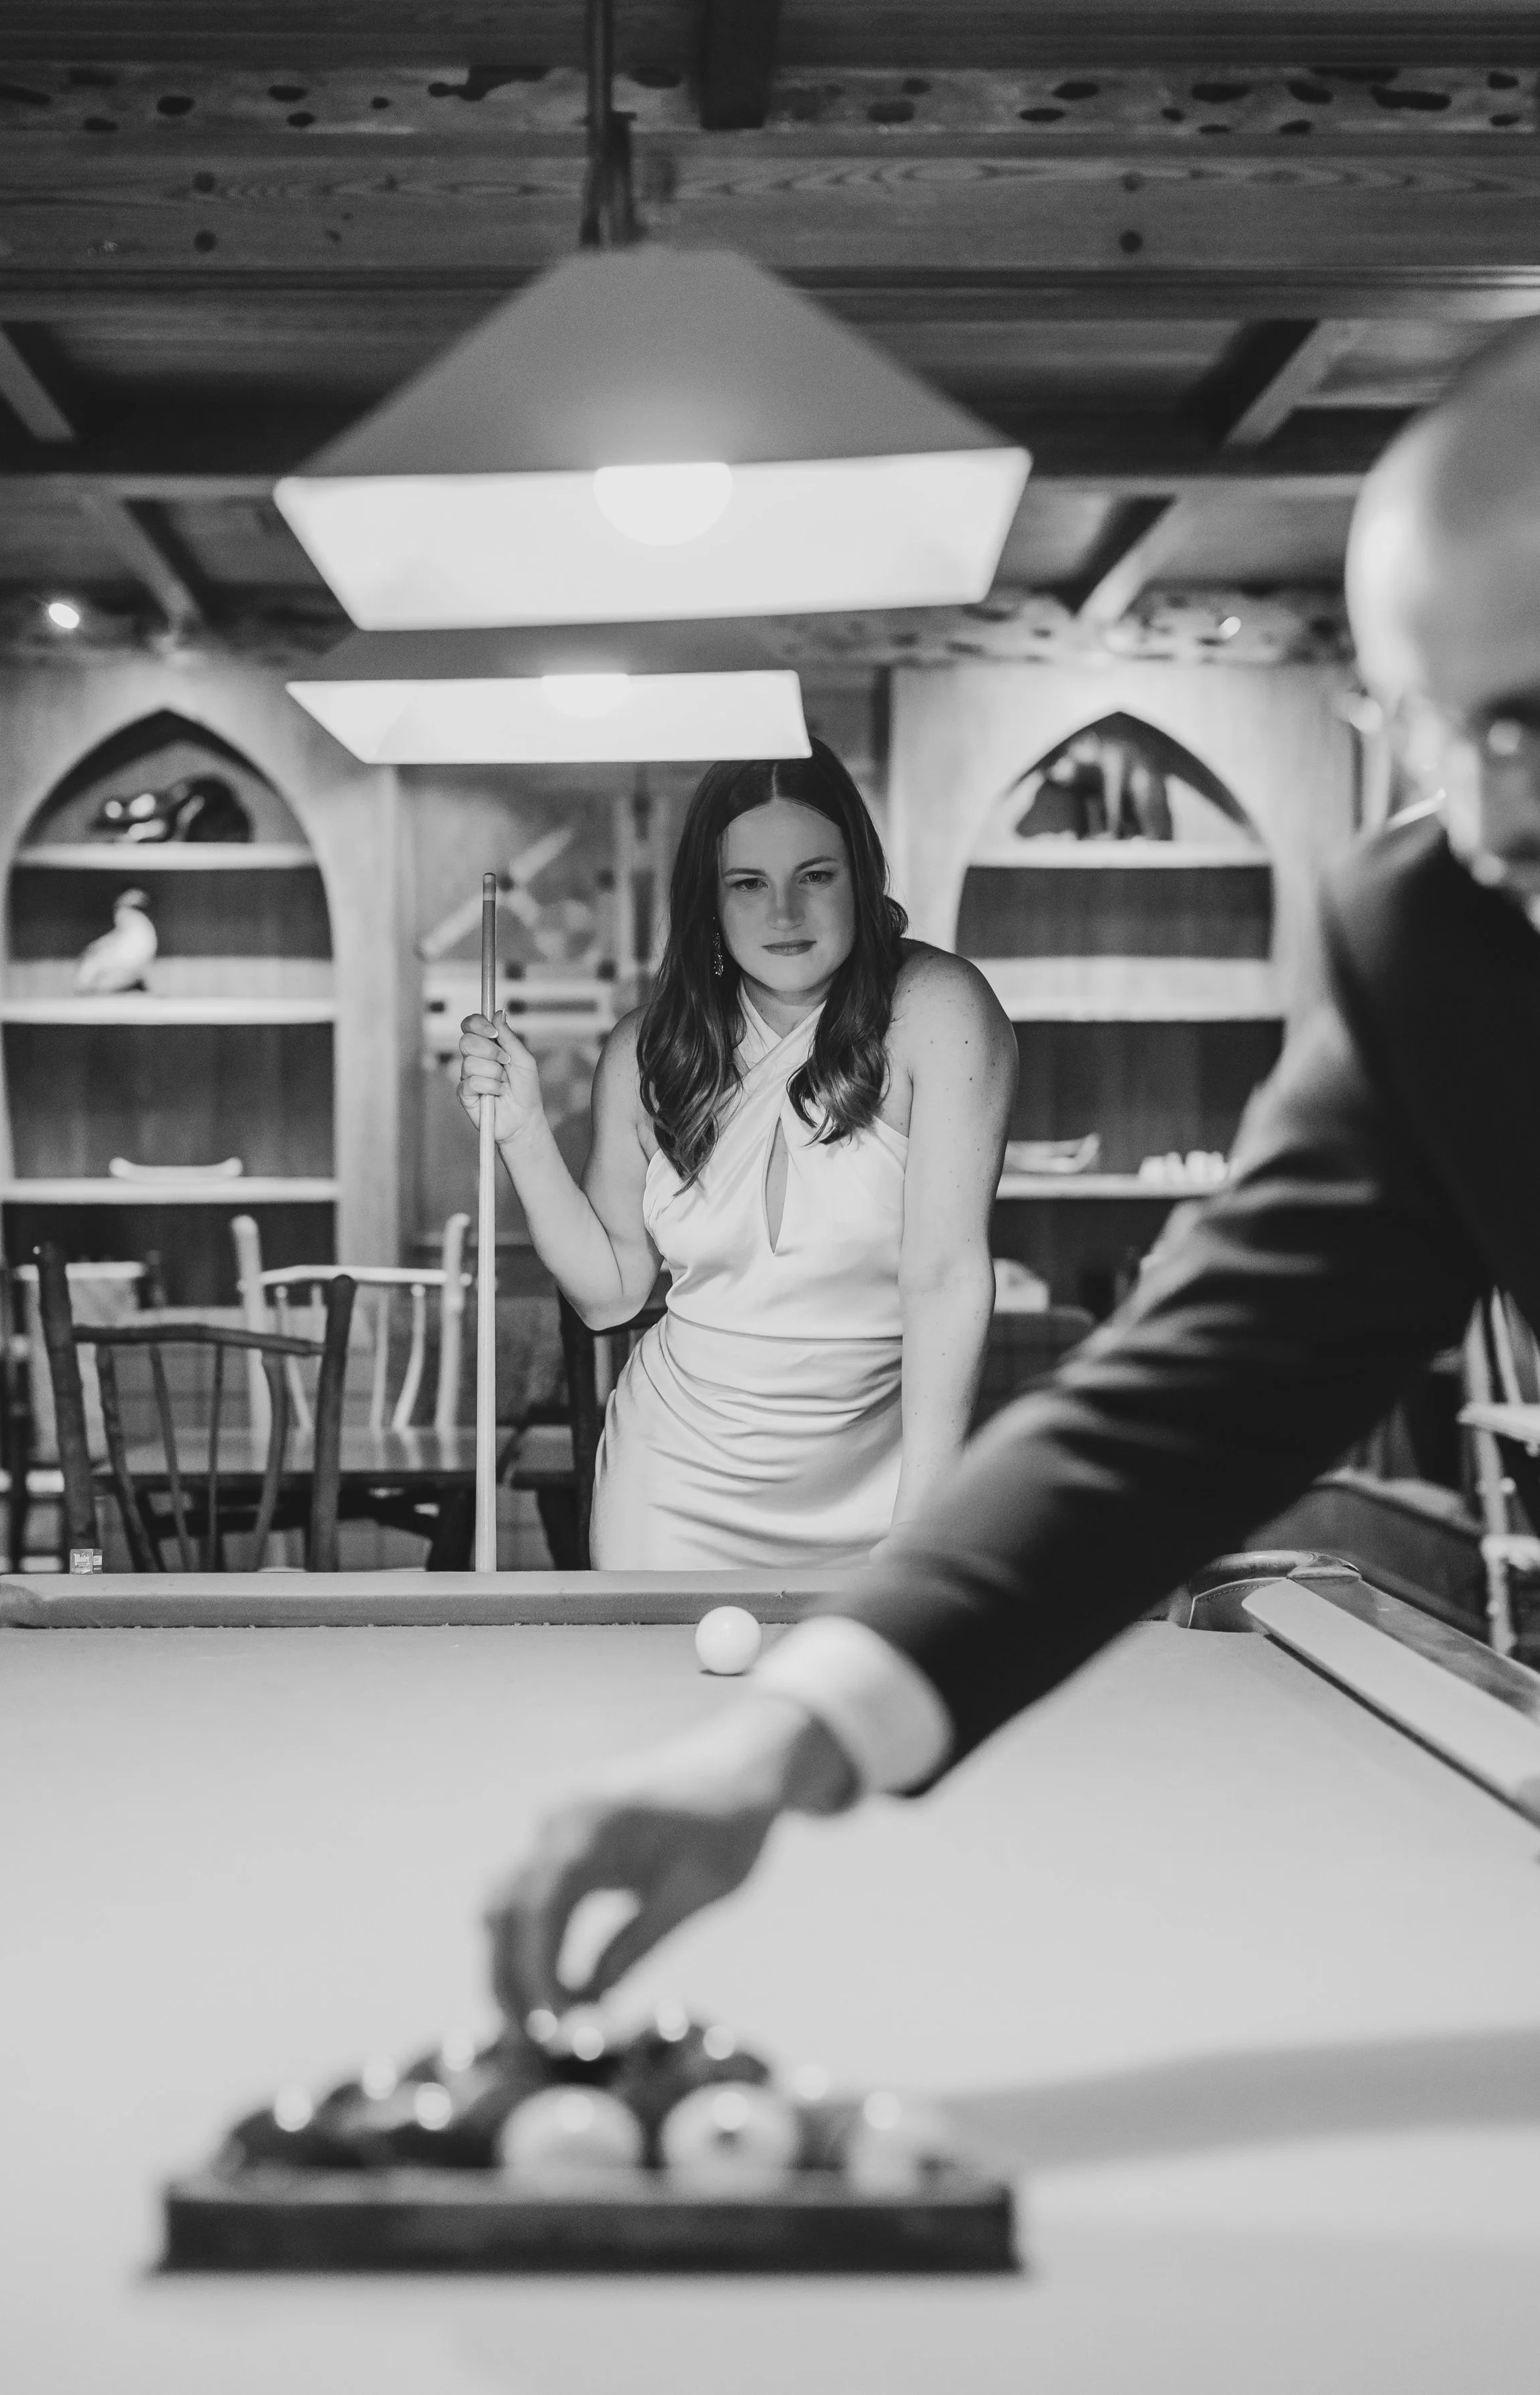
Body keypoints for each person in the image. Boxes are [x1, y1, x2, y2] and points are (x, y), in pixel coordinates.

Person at [484, 319, 1540, 2024]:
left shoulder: (931, 1010)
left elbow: (940, 1276)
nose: (1494, 812)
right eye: (1435, 724)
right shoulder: (1431, 933)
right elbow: (1201, 1389)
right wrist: (797, 1727)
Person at [455, 740, 1017, 1569]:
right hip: (673, 1489)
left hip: (883, 1487)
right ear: (708, 903)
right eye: (747, 884)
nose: (783, 914)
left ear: (861, 878)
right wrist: (524, 1134)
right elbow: (611, 1295)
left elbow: (944, 1279)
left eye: (815, 876)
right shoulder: (647, 1050)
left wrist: (920, 1534)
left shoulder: (940, 1012)